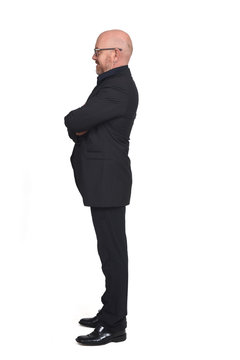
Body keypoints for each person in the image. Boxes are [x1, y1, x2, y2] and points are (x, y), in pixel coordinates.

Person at [64, 29, 139, 346]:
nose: (93, 56)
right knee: (108, 252)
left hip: (108, 181)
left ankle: (114, 325)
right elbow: (82, 123)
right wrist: (80, 124)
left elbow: (75, 119)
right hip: (104, 180)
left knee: (113, 254)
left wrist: (76, 122)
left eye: (98, 50)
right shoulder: (110, 85)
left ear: (116, 53)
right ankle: (110, 311)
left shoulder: (119, 88)